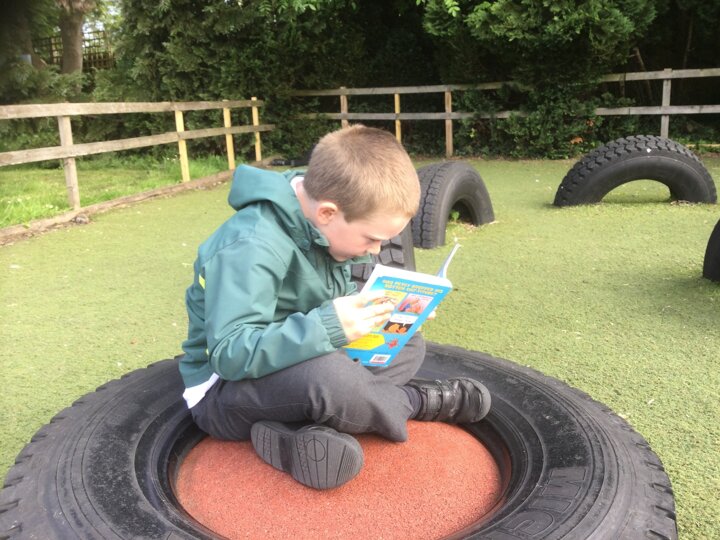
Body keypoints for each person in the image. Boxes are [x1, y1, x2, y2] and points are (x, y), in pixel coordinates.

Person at [179, 125, 491, 490]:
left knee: (408, 344)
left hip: (300, 358)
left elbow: (330, 312)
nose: (376, 250)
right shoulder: (250, 246)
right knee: (330, 379)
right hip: (224, 391)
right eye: (371, 238)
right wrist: (330, 327)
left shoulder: (322, 222)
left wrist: (392, 315)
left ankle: (298, 432)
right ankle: (413, 400)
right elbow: (230, 354)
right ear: (328, 212)